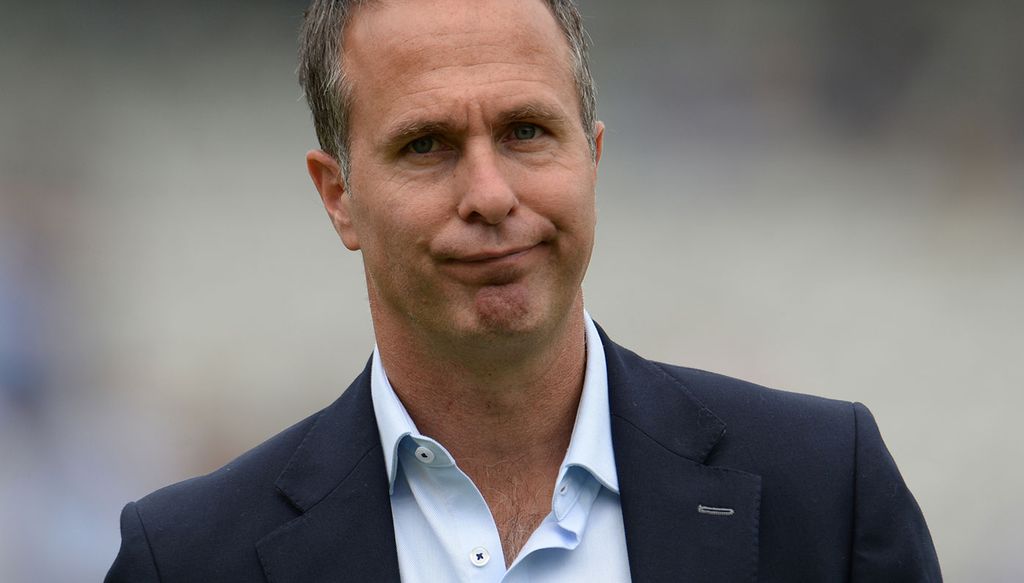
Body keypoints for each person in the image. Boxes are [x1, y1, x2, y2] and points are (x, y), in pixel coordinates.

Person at [105, 0, 941, 580]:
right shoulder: (186, 560)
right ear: (339, 196)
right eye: (426, 145)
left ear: (593, 157)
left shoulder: (825, 493)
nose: (491, 193)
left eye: (527, 131)